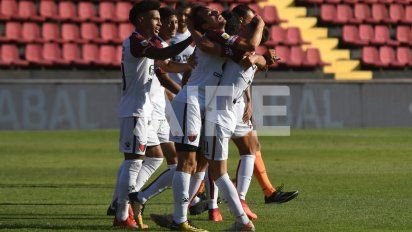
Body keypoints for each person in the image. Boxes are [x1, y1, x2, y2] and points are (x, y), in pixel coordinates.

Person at [151, 5, 266, 231]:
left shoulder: (220, 40)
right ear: (205, 25)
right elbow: (250, 47)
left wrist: (261, 58)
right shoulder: (215, 37)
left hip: (208, 105)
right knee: (187, 163)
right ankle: (179, 219)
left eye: (216, 12)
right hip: (192, 101)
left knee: (204, 166)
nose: (216, 13)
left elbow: (252, 53)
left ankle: (232, 220)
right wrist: (260, 27)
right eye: (210, 14)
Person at [113, 0, 193, 229]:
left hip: (146, 110)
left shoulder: (150, 41)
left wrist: (190, 63)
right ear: (141, 20)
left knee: (155, 156)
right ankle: (121, 215)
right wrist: (191, 39)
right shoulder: (136, 41)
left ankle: (128, 203)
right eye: (155, 19)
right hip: (135, 110)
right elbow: (164, 52)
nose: (160, 23)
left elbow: (164, 63)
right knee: (134, 161)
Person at [169, 1, 196, 86]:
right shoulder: (166, 36)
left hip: (192, 88)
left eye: (186, 15)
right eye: (180, 14)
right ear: (175, 13)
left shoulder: (196, 36)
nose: (183, 18)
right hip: (171, 89)